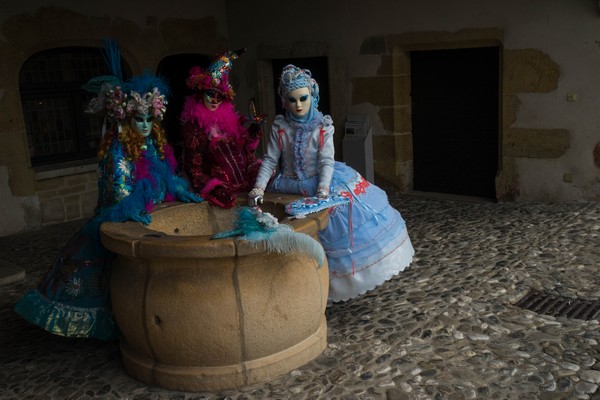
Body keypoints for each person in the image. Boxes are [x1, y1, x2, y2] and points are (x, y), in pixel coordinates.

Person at [14, 64, 202, 341]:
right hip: (119, 217)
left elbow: (165, 176)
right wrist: (133, 207)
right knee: (109, 277)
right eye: (139, 120)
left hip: (153, 212)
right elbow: (119, 191)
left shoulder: (153, 145)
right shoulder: (117, 152)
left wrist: (178, 188)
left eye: (150, 119)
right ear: (126, 120)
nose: (146, 126)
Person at [248, 64, 414, 303]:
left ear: (312, 96)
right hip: (286, 185)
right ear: (284, 101)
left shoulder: (323, 126)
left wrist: (323, 189)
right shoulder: (280, 127)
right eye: (292, 100)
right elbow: (271, 160)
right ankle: (299, 286)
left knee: (334, 226)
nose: (298, 105)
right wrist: (259, 187)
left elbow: (326, 161)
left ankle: (330, 286)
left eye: (303, 98)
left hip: (321, 183)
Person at [181, 49, 264, 208]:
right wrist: (215, 188)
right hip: (222, 193)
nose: (215, 100)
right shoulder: (195, 127)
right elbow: (194, 168)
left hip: (245, 187)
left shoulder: (229, 120)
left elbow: (245, 152)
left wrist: (252, 134)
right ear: (201, 93)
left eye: (219, 96)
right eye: (211, 94)